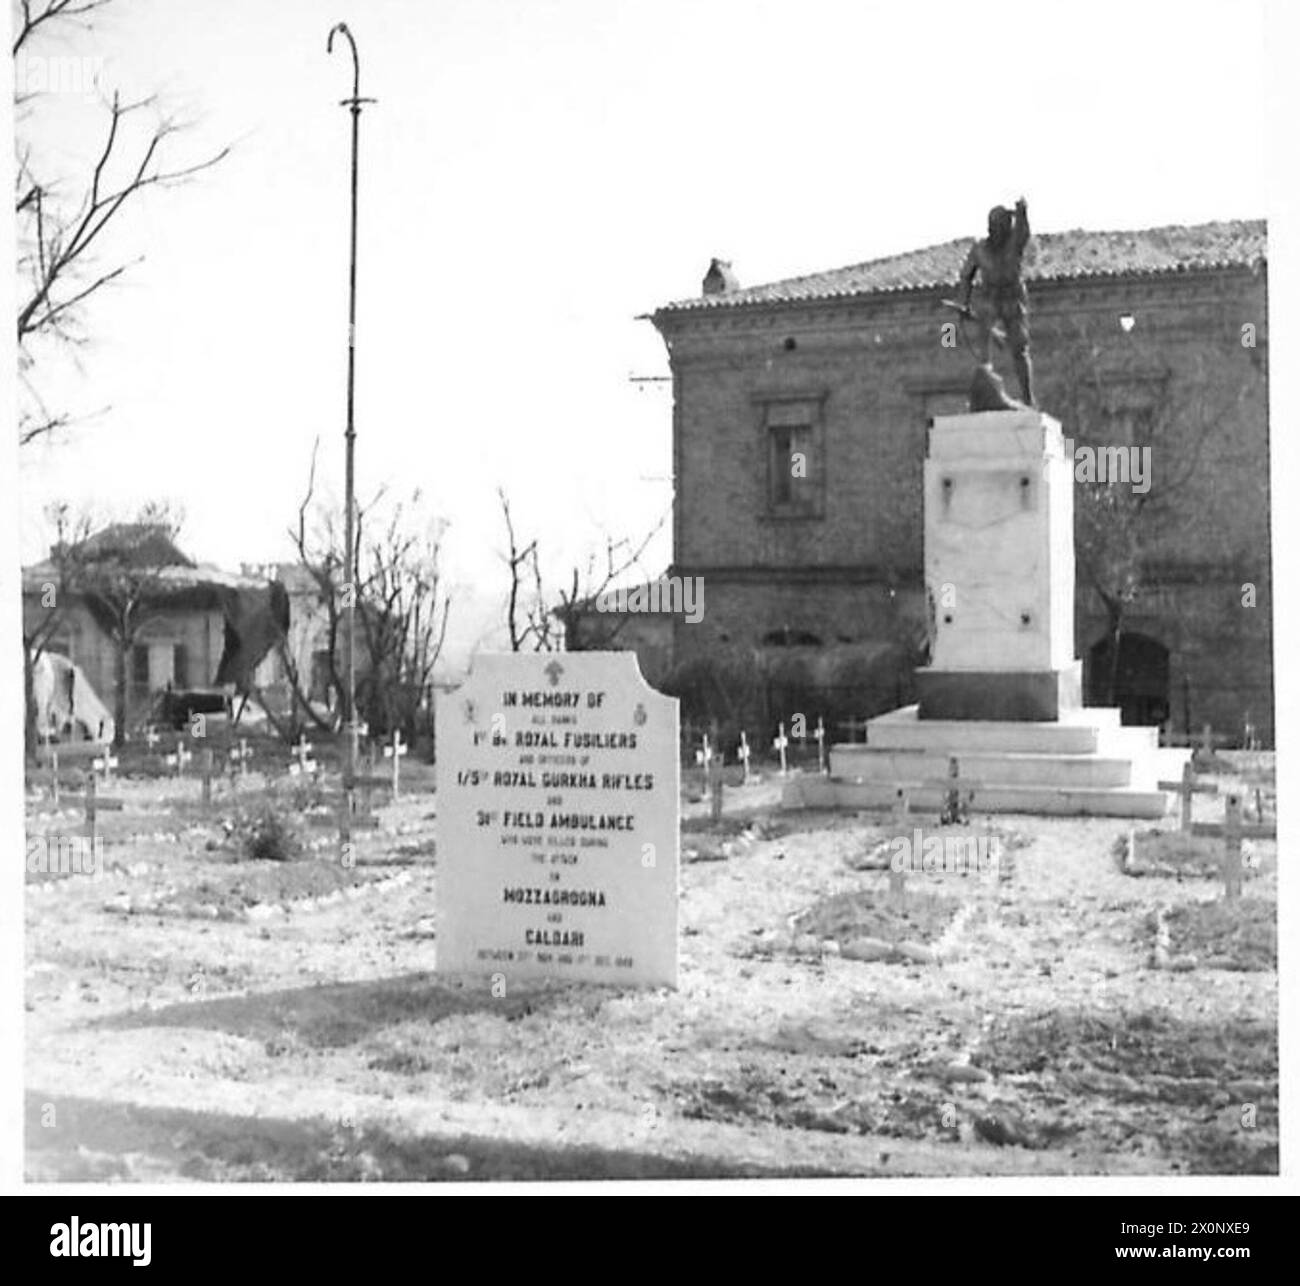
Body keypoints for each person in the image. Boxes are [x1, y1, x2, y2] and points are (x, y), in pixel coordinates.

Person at [957, 196, 1035, 406]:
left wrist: (1022, 212)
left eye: (1001, 226)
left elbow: (1023, 231)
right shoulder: (979, 249)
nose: (996, 230)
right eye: (993, 226)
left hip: (1012, 297)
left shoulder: (1014, 243)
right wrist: (963, 303)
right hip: (989, 298)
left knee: (1019, 347)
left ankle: (1028, 397)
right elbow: (966, 276)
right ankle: (985, 388)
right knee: (983, 344)